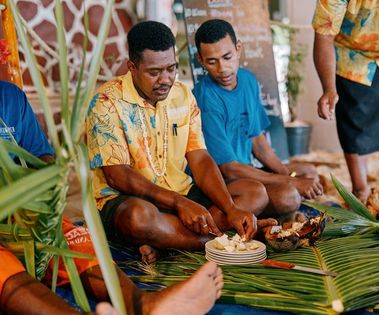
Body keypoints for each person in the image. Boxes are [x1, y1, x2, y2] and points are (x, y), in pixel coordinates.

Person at [0, 79, 224, 315]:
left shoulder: (11, 97)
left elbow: (41, 157)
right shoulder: (108, 99)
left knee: (79, 240)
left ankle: (142, 304)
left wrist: (42, 189)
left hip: (22, 214)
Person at [86, 21, 270, 256]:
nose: (165, 79)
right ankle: (215, 240)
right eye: (154, 72)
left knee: (254, 193)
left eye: (171, 68)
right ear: (132, 67)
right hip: (131, 199)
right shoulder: (105, 102)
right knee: (137, 218)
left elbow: (200, 158)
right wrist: (177, 203)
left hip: (182, 193)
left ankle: (166, 241)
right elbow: (117, 175)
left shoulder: (183, 95)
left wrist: (230, 208)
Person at [192, 19, 323, 217]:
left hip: (247, 169)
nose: (222, 68)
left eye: (227, 57)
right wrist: (290, 182)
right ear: (200, 60)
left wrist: (286, 174)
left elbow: (257, 141)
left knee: (309, 172)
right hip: (223, 181)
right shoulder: (204, 98)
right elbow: (229, 169)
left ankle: (273, 206)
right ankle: (264, 213)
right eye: (212, 61)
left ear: (238, 49)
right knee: (289, 196)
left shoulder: (248, 80)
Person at [313, 0, 379, 202]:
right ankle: (360, 189)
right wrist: (328, 89)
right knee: (354, 123)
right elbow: (324, 37)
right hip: (353, 61)